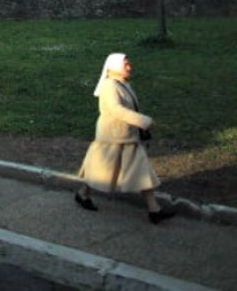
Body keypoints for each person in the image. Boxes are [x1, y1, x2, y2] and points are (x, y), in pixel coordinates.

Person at [74, 53, 175, 224]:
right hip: (112, 137)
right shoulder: (109, 86)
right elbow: (116, 110)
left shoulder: (122, 84)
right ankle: (83, 194)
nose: (130, 67)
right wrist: (144, 121)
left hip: (127, 136)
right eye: (126, 64)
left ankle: (154, 209)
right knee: (101, 171)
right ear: (114, 67)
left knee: (142, 171)